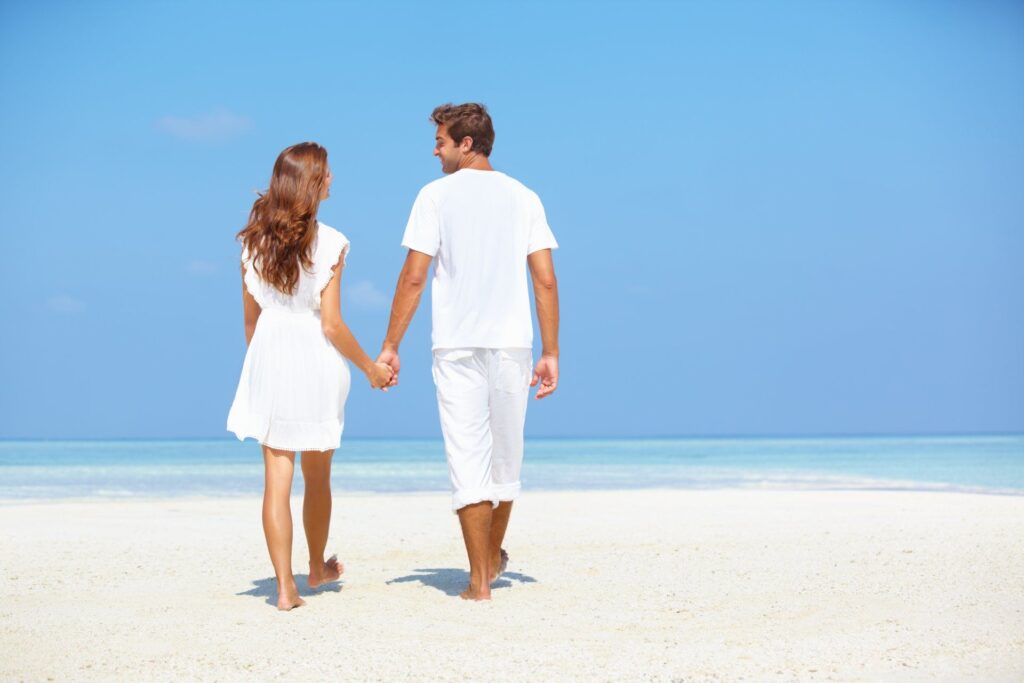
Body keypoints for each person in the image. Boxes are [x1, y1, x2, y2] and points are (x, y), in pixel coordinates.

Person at [377, 103, 561, 601]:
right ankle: (490, 561)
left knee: (468, 461)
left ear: (467, 144)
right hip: (512, 344)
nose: (433, 150)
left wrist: (392, 344)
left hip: (456, 345)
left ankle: (479, 582)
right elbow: (544, 278)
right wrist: (551, 351)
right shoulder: (524, 197)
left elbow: (414, 275)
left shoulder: (434, 196)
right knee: (505, 462)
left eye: (440, 141)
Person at [227, 142, 394, 611]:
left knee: (275, 478)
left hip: (269, 354)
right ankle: (316, 566)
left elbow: (249, 320)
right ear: (311, 183)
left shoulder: (251, 243)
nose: (333, 178)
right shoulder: (333, 242)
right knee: (317, 477)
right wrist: (371, 369)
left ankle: (285, 588)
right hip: (315, 359)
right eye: (326, 173)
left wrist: (260, 367)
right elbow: (332, 324)